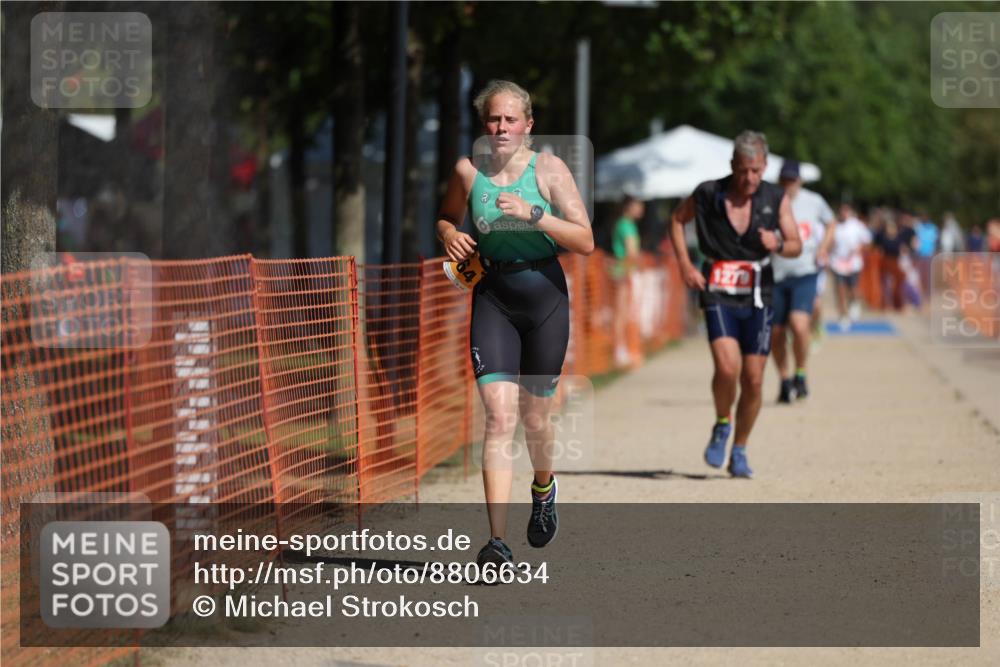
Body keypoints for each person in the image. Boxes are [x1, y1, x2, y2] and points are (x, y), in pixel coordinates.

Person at [435, 80, 593, 569]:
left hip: (543, 297)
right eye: (493, 119)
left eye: (510, 119)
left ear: (528, 125)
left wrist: (535, 214)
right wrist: (448, 234)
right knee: (499, 418)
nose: (501, 128)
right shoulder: (468, 171)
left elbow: (585, 240)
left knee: (535, 417)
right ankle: (496, 542)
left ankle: (543, 488)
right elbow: (444, 216)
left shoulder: (549, 170)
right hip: (493, 299)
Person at [669, 131, 801, 478]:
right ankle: (722, 423)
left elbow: (796, 245)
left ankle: (740, 448)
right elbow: (676, 220)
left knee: (755, 379)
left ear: (765, 167)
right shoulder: (708, 193)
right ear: (732, 166)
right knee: (728, 369)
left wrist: (776, 243)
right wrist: (685, 264)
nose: (750, 179)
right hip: (717, 289)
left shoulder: (775, 197)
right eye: (744, 171)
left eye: (756, 171)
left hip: (759, 293)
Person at [769, 160, 836, 403]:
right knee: (775, 333)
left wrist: (824, 247)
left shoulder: (814, 201)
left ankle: (801, 372)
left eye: (793, 180)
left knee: (798, 325)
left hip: (805, 273)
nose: (789, 185)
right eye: (784, 180)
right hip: (775, 275)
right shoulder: (770, 201)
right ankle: (785, 380)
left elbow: (831, 222)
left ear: (800, 181)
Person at [611, 196, 643, 368]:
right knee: (621, 314)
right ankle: (619, 351)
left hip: (625, 272)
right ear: (628, 207)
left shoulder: (626, 224)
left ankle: (624, 349)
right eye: (638, 205)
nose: (641, 208)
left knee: (624, 313)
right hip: (624, 273)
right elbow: (631, 252)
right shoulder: (625, 225)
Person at [829, 203, 873, 329]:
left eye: (846, 211)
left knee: (853, 289)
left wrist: (858, 249)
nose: (844, 214)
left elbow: (867, 241)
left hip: (853, 263)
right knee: (840, 290)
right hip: (837, 263)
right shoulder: (834, 225)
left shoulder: (856, 225)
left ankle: (854, 304)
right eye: (841, 211)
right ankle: (843, 315)